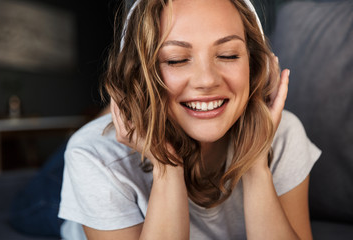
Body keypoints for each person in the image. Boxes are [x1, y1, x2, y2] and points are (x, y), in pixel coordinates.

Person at [58, 0, 321, 239]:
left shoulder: (282, 133)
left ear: (254, 65)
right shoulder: (94, 155)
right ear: (141, 73)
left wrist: (255, 162)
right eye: (176, 59)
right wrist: (166, 167)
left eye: (228, 55)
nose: (207, 80)